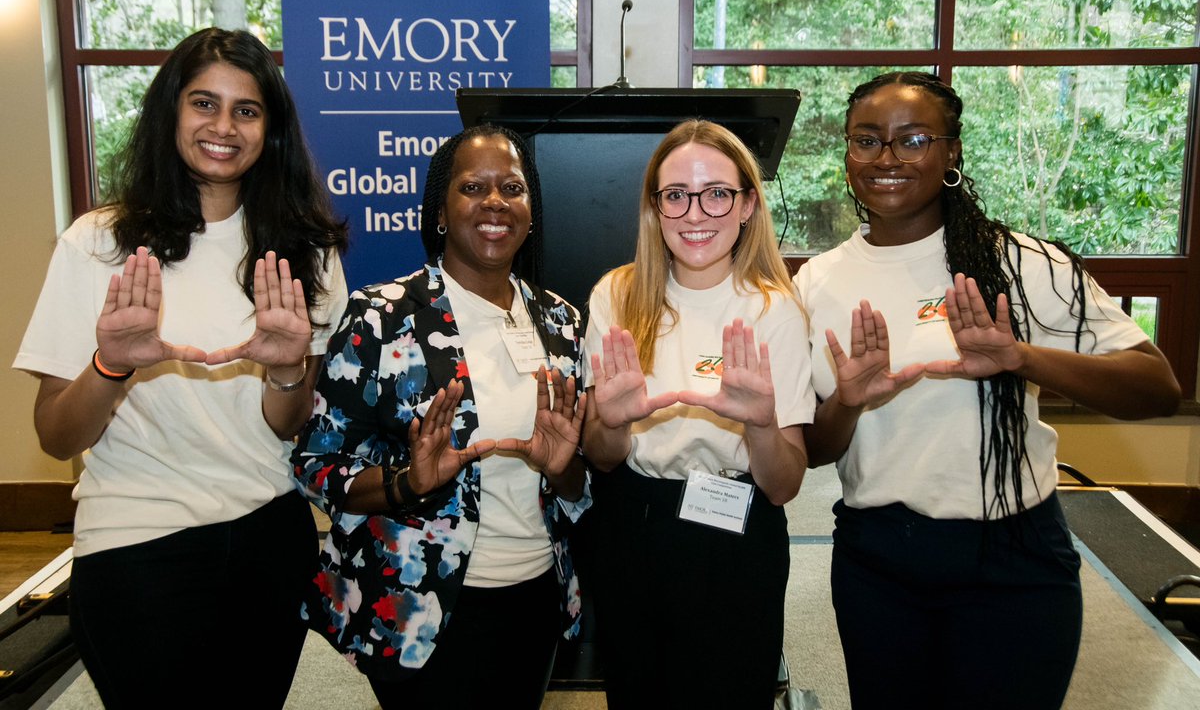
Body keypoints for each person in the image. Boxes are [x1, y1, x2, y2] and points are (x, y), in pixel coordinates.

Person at [795, 71, 1182, 710]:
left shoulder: (1022, 263)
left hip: (1015, 554)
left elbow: (1157, 387)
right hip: (879, 560)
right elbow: (811, 449)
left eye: (913, 139)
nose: (886, 159)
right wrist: (849, 398)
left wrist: (1021, 358)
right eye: (867, 140)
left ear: (952, 153)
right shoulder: (817, 283)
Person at [13, 27, 349, 707]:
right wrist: (112, 365)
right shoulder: (99, 243)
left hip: (269, 535)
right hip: (137, 540)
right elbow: (56, 435)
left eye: (246, 111)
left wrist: (288, 368)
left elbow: (287, 427)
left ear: (271, 130)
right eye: (204, 104)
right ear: (171, 111)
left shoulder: (302, 253)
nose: (223, 126)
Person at [292, 124, 588, 708]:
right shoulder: (381, 316)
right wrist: (407, 484)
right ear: (441, 212)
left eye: (513, 187)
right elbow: (314, 465)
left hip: (535, 595)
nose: (496, 201)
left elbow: (578, 487)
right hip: (418, 605)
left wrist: (563, 470)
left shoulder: (562, 323)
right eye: (473, 187)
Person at [582, 119, 814, 708]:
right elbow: (602, 458)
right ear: (655, 208)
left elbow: (785, 484)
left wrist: (761, 424)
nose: (695, 214)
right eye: (675, 195)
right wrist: (609, 421)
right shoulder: (617, 294)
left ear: (747, 206)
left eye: (717, 193)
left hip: (737, 534)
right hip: (632, 525)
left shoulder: (775, 311)